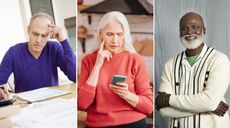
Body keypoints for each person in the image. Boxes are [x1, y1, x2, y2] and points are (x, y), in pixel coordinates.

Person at [78, 11, 153, 128]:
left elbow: (149, 107)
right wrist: (97, 65)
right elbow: (82, 103)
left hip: (132, 123)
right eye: (109, 34)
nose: (114, 40)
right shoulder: (88, 61)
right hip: (98, 124)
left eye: (119, 34)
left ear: (125, 35)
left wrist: (126, 94)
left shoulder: (135, 60)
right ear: (101, 34)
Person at [156, 12, 230, 128]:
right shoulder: (170, 64)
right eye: (184, 28)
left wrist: (169, 99)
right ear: (179, 32)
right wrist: (209, 107)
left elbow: (209, 102)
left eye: (195, 27)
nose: (189, 32)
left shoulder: (219, 59)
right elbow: (163, 110)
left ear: (204, 30)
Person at [0, 13, 76, 98]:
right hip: (25, 104)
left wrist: (63, 40)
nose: (38, 40)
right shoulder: (13, 52)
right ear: (28, 30)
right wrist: (1, 89)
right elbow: (0, 82)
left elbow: (75, 77)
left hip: (51, 100)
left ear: (50, 35)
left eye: (44, 35)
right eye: (35, 34)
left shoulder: (54, 48)